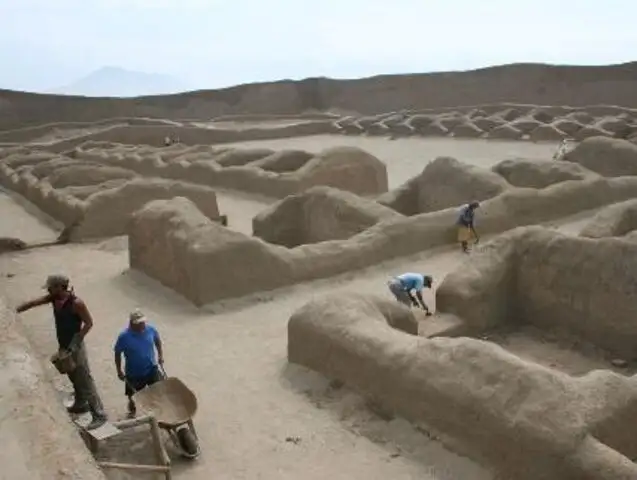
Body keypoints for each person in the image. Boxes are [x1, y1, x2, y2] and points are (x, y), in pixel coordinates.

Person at [15, 274, 107, 430]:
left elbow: (89, 323)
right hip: (64, 345)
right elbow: (33, 303)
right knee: (72, 375)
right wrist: (14, 311)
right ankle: (80, 403)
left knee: (84, 379)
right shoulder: (54, 298)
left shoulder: (76, 303)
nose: (49, 290)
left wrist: (75, 342)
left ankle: (99, 414)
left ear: (59, 287)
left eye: (51, 287)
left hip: (75, 346)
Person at [114, 309, 164, 417]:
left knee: (157, 389)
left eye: (143, 322)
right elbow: (117, 353)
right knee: (133, 395)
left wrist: (160, 355)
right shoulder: (124, 337)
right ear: (132, 323)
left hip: (151, 368)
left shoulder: (151, 330)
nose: (143, 325)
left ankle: (157, 411)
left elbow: (157, 341)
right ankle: (132, 408)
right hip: (134, 373)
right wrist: (119, 370)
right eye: (139, 323)